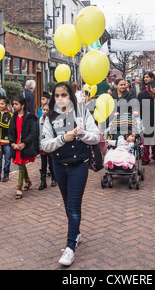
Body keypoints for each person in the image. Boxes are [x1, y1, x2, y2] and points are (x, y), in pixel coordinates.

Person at [41, 82, 100, 266]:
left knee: (74, 205)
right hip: (59, 165)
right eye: (57, 95)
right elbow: (45, 145)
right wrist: (62, 138)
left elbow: (96, 137)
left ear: (71, 96)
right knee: (68, 203)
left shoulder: (81, 113)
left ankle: (69, 247)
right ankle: (76, 233)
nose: (60, 99)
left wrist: (82, 134)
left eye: (64, 94)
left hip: (78, 165)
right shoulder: (49, 117)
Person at [8, 95, 38, 199]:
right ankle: (28, 181)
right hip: (16, 145)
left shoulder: (30, 117)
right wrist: (13, 144)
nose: (14, 106)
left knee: (21, 164)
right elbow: (10, 131)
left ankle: (19, 187)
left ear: (23, 105)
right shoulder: (13, 117)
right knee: (21, 164)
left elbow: (32, 132)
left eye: (16, 104)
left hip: (25, 145)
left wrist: (24, 144)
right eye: (13, 104)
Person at [0, 96, 13, 183]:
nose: (0, 105)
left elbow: (7, 126)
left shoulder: (10, 115)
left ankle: (6, 174)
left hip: (7, 141)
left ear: (7, 105)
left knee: (7, 160)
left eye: (2, 104)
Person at [37, 103, 57, 190]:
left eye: (47, 110)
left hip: (50, 144)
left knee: (51, 162)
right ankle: (43, 181)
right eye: (43, 110)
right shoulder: (40, 120)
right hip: (42, 145)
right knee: (43, 163)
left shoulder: (52, 120)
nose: (45, 112)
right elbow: (38, 133)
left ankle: (54, 178)